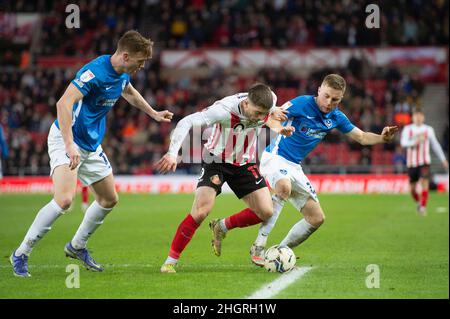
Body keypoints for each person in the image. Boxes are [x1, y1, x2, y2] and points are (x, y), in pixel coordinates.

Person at [10, 30, 173, 277]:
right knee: (64, 200)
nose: (141, 67)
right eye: (140, 62)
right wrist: (68, 144)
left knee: (109, 199)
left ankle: (77, 246)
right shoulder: (94, 72)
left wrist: (153, 113)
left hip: (91, 145)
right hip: (68, 139)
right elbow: (63, 104)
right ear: (126, 56)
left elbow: (128, 91)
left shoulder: (121, 74)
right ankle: (20, 253)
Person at [232, 74, 398, 266]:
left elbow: (361, 137)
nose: (329, 102)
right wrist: (279, 128)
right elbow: (272, 116)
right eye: (326, 96)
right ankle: (259, 245)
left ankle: (279, 253)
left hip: (294, 166)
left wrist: (382, 138)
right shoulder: (302, 103)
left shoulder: (336, 117)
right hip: (275, 157)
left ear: (341, 98)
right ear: (319, 90)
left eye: (335, 99)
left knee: (316, 218)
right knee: (283, 188)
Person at [156, 83, 294, 273]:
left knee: (266, 211)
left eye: (264, 113)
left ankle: (221, 226)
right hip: (216, 160)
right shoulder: (222, 110)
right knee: (201, 211)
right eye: (257, 113)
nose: (260, 118)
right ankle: (170, 261)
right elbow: (186, 122)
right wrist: (172, 153)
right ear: (245, 104)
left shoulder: (268, 100)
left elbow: (268, 115)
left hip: (245, 163)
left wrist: (276, 124)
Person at [400, 106, 448, 215]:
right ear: (412, 117)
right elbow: (403, 143)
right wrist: (415, 142)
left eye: (420, 116)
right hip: (411, 163)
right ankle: (419, 202)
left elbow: (435, 145)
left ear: (423, 117)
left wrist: (443, 159)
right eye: (416, 116)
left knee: (424, 182)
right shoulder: (408, 129)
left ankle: (423, 207)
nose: (418, 118)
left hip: (424, 161)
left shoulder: (428, 130)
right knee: (412, 189)